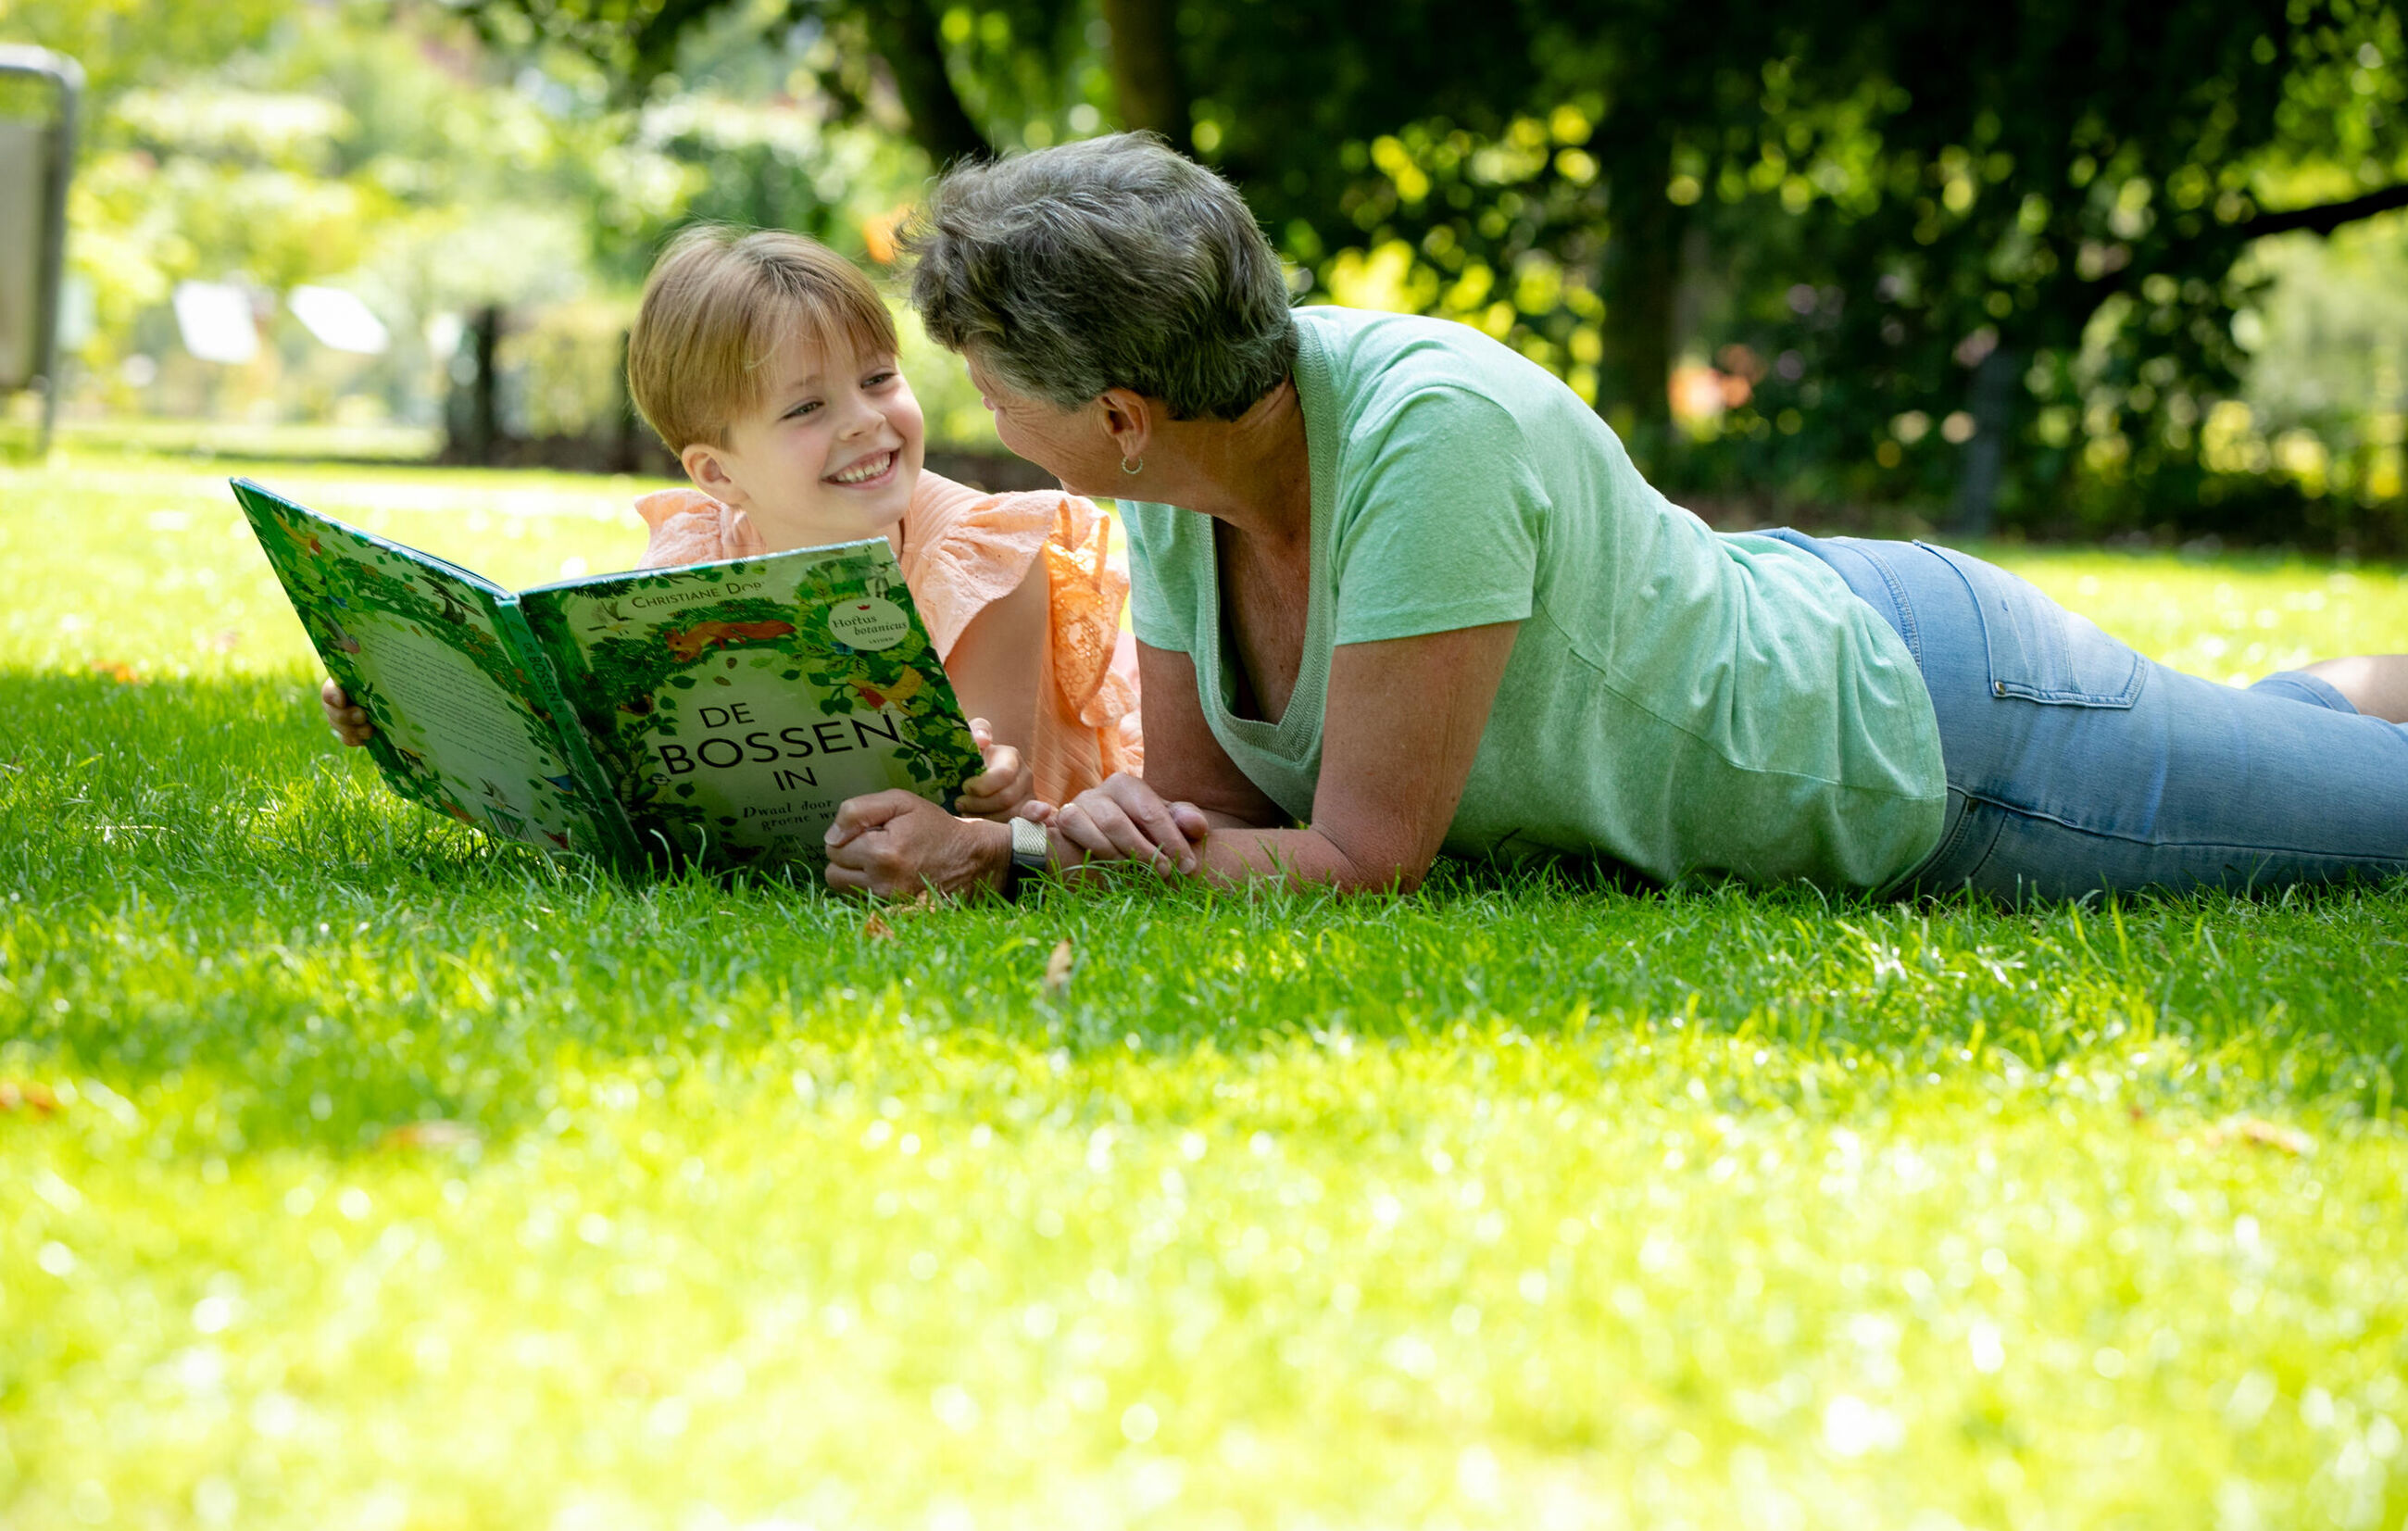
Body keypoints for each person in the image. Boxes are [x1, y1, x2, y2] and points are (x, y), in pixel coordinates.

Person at [821, 132, 2408, 903]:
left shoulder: (1432, 437)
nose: (983, 423)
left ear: (1114, 410)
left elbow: (1363, 854)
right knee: (2289, 746)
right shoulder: (1178, 475)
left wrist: (1016, 860)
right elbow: (1219, 821)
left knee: (2378, 822)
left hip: (1943, 745)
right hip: (1830, 629)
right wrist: (1094, 832)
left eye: (991, 387)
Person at [323, 227, 1148, 886]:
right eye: (808, 407)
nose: (865, 420)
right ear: (718, 474)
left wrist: (990, 786)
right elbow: (623, 749)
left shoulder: (985, 554)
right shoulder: (699, 547)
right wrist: (411, 710)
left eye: (879, 378)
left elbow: (980, 806)